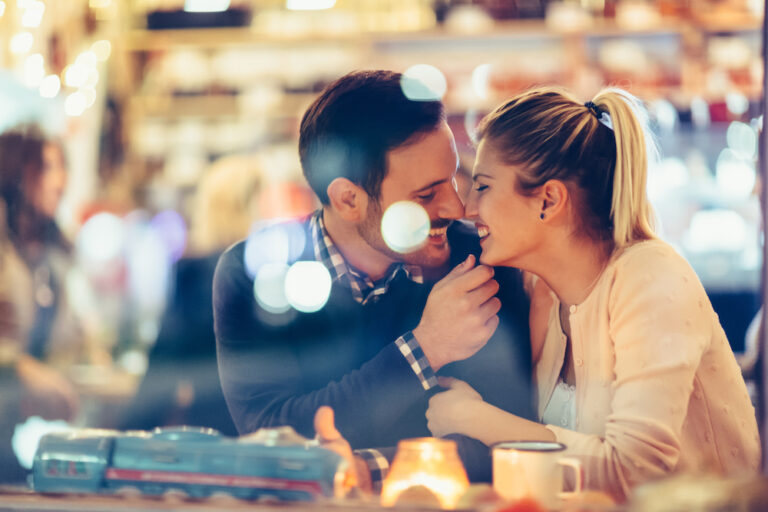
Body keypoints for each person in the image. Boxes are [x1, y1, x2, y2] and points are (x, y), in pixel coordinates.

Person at [424, 87, 761, 501]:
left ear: (548, 200)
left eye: (484, 186)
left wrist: (473, 418)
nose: (467, 209)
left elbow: (635, 471)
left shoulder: (649, 277)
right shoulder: (543, 293)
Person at [213, 70, 534, 484]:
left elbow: (506, 445)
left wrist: (362, 468)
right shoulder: (252, 272)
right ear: (349, 199)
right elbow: (275, 437)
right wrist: (426, 348)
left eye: (455, 178)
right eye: (426, 195)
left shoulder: (479, 260)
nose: (458, 207)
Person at [0, 126, 81, 481]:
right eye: (46, 168)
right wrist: (21, 369)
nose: (60, 181)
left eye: (62, 167)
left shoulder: (50, 256)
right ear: (15, 171)